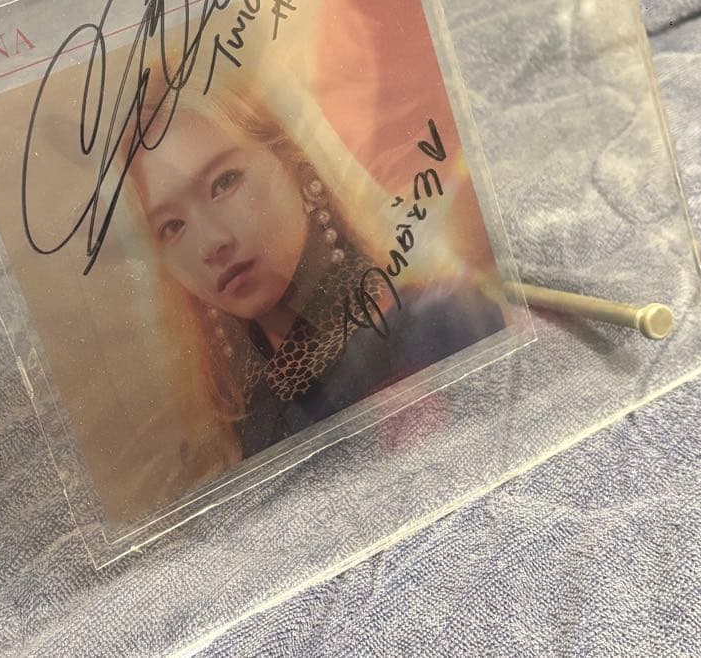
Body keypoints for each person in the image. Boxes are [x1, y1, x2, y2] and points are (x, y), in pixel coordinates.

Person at [123, 74, 506, 461]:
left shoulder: (432, 324)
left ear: (293, 164)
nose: (211, 243)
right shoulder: (248, 413)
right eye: (172, 226)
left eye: (225, 183)